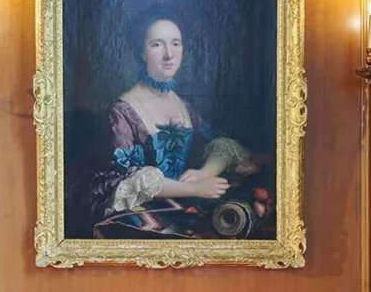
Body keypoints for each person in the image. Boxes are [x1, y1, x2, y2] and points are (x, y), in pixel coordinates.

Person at [87, 13, 270, 240]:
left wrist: (203, 173)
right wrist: (192, 189)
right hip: (147, 206)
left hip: (185, 201)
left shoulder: (182, 104)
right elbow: (122, 180)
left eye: (176, 43)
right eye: (157, 45)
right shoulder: (123, 111)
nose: (169, 55)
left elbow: (218, 144)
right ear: (142, 52)